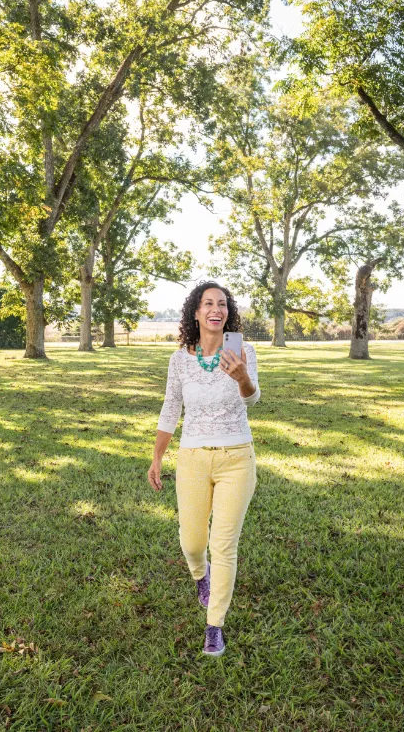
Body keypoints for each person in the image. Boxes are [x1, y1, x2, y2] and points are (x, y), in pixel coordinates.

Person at [148, 281, 260, 657]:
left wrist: (242, 375)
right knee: (193, 543)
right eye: (208, 303)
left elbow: (253, 396)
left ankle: (215, 626)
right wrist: (157, 457)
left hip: (237, 456)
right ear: (195, 312)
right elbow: (170, 409)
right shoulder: (180, 359)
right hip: (193, 458)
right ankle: (201, 577)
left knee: (223, 544)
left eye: (223, 304)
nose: (216, 309)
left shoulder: (243, 350)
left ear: (228, 312)